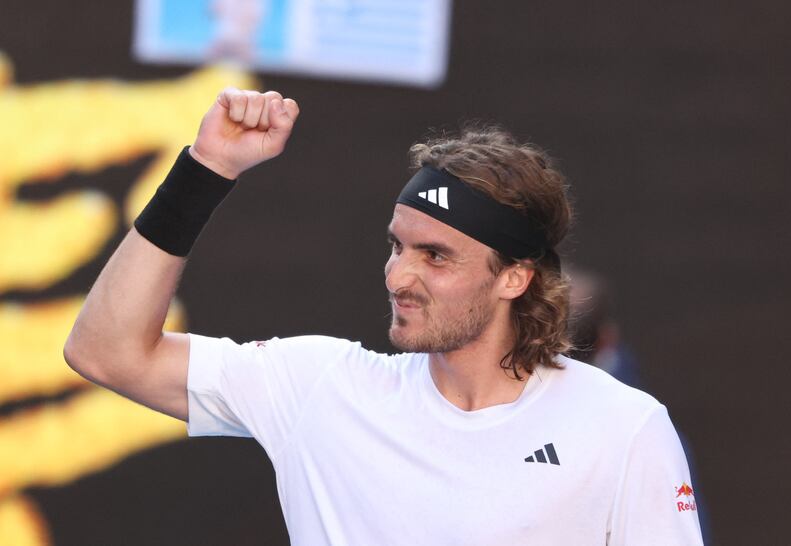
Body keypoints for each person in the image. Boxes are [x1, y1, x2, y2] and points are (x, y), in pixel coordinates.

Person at [64, 88, 703, 545]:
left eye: (436, 256)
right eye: (397, 246)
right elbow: (106, 351)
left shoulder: (624, 427)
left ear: (515, 277)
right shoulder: (320, 385)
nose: (399, 275)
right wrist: (207, 170)